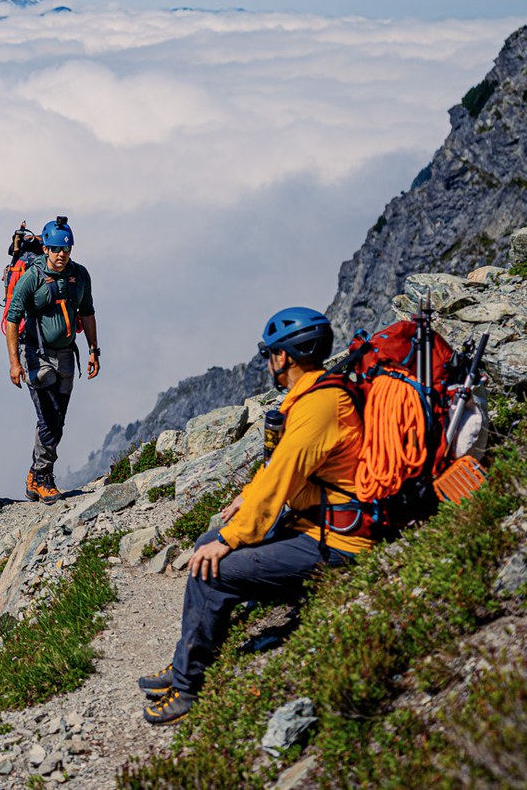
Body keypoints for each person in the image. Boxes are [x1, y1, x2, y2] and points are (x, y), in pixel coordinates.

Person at [140, 307, 371, 724]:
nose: (268, 362)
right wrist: (245, 502)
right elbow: (281, 469)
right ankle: (186, 661)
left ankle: (189, 686)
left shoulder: (320, 407)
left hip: (342, 540)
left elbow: (282, 474)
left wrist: (232, 538)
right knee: (206, 545)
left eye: (270, 354)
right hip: (319, 522)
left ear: (285, 357)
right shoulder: (315, 396)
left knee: (212, 567)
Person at [2, 216, 99, 502]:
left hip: (67, 355)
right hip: (35, 355)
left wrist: (94, 349)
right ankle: (44, 477)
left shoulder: (80, 275)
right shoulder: (32, 277)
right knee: (48, 417)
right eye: (56, 249)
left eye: (65, 249)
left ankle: (36, 474)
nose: (61, 254)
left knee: (57, 419)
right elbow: (12, 318)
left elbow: (88, 312)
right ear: (46, 248)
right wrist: (14, 363)